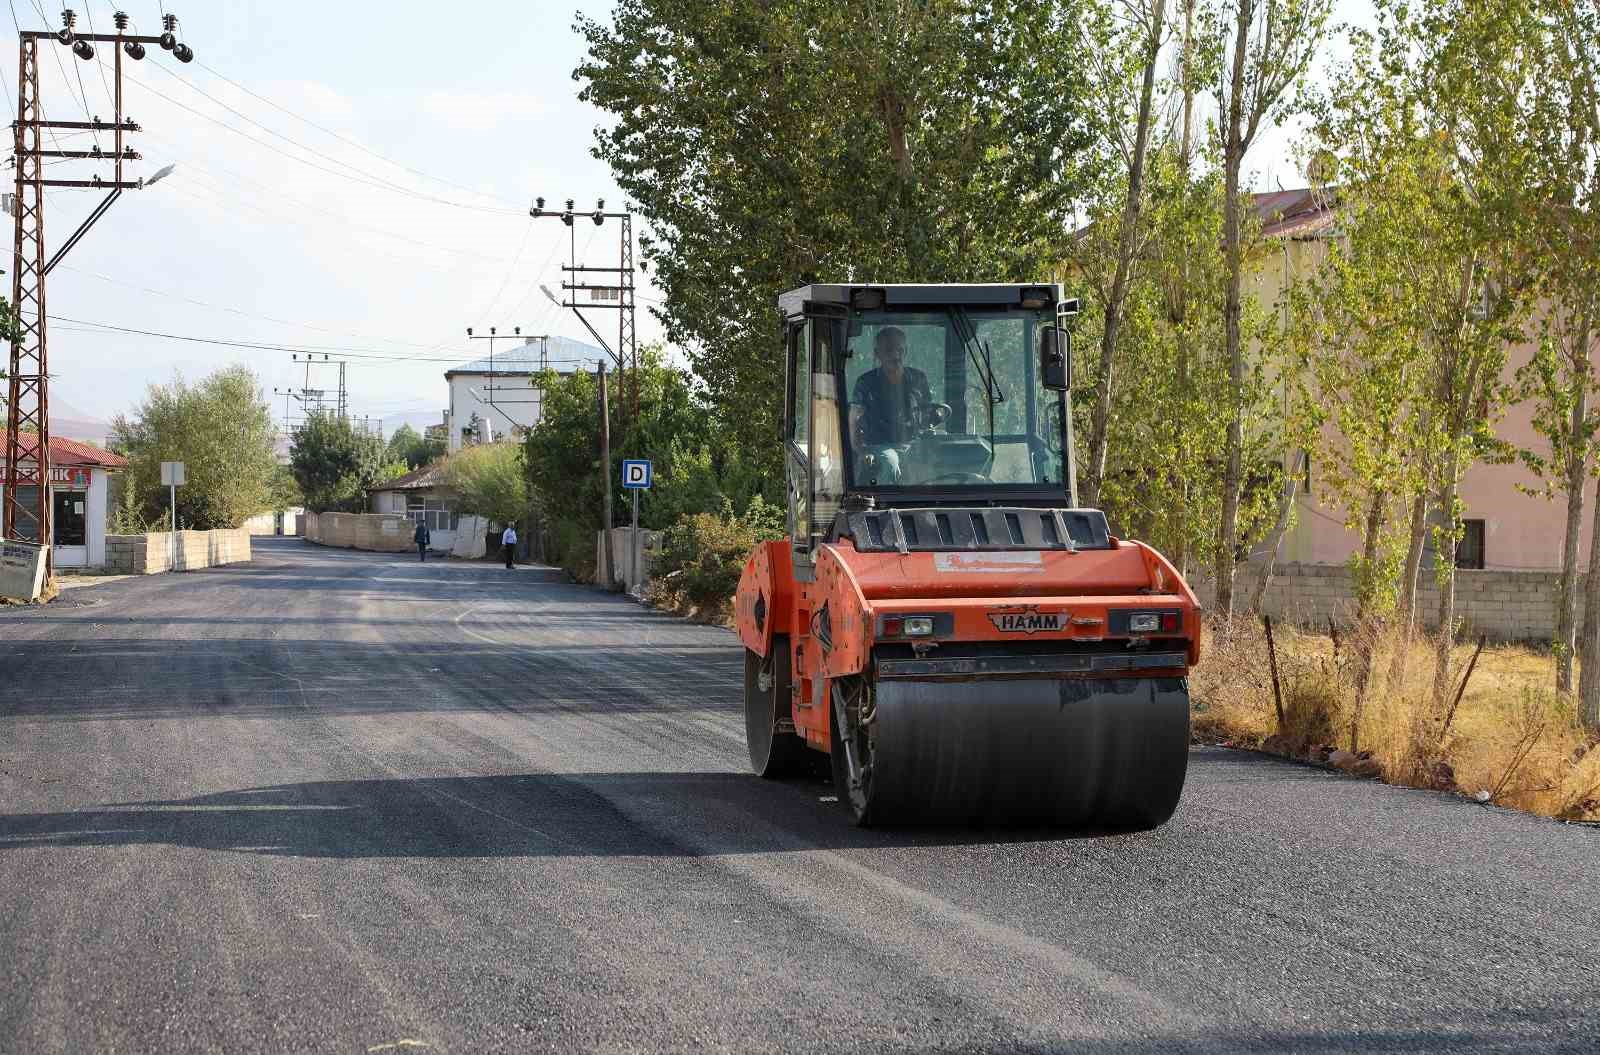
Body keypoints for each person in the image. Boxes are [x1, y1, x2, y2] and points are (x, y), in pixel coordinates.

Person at [849, 326, 932, 484]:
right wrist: (860, 451)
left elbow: (929, 415)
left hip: (913, 445)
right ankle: (889, 506)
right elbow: (853, 420)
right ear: (877, 353)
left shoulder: (918, 379)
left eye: (899, 350)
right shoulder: (866, 383)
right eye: (888, 350)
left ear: (905, 352)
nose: (895, 355)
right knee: (890, 462)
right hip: (878, 446)